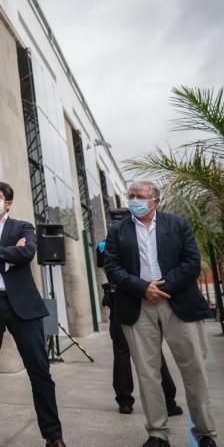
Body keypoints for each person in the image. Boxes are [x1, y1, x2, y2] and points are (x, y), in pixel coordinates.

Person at [104, 180, 217, 447]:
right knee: (147, 372)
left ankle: (205, 433)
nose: (133, 200)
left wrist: (162, 287)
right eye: (130, 196)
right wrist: (144, 288)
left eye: (139, 196)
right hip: (137, 306)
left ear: (155, 200)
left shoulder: (177, 224)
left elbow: (191, 262)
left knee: (195, 371)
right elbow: (112, 266)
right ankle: (157, 433)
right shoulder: (118, 231)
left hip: (177, 303)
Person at [0, 181, 65, 447]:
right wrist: (9, 257)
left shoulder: (23, 227)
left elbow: (28, 252)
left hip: (23, 308)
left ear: (7, 203)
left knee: (39, 371)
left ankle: (53, 436)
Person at [97, 209, 182, 416]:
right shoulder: (131, 240)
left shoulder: (103, 244)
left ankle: (125, 401)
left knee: (122, 351)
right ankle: (168, 400)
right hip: (140, 299)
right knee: (153, 350)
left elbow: (104, 267)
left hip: (121, 300)